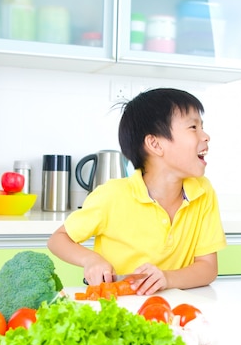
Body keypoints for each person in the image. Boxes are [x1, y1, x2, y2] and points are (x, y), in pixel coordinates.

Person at [48, 88, 227, 295]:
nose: (205, 136)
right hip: (118, 306)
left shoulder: (203, 192)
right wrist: (91, 260)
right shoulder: (112, 195)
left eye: (202, 127)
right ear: (154, 144)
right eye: (193, 127)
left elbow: (208, 268)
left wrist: (167, 278)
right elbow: (58, 239)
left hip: (175, 308)